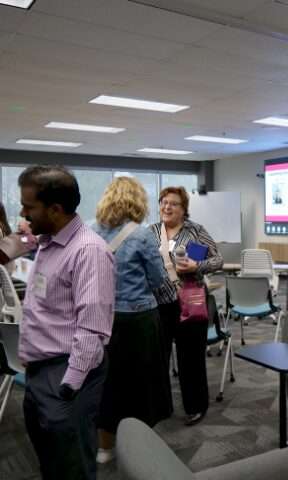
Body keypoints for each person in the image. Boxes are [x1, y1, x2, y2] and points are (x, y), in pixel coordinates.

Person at [18, 165, 115, 480]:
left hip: (67, 373)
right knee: (51, 461)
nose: (23, 213)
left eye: (29, 207)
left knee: (72, 466)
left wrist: (69, 387)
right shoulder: (47, 241)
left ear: (55, 209)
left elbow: (92, 328)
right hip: (40, 369)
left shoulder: (88, 251)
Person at [92, 177, 172, 464]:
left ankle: (104, 447)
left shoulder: (90, 231)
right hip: (138, 319)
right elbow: (158, 279)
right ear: (138, 201)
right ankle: (141, 449)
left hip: (102, 317)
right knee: (143, 383)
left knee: (107, 381)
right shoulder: (142, 236)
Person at [150, 186, 223, 426]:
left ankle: (196, 406)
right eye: (163, 202)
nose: (167, 207)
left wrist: (196, 266)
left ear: (184, 209)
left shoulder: (195, 231)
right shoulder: (151, 232)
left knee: (190, 358)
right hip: (159, 304)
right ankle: (161, 406)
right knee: (158, 359)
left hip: (190, 301)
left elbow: (218, 260)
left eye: (173, 203)